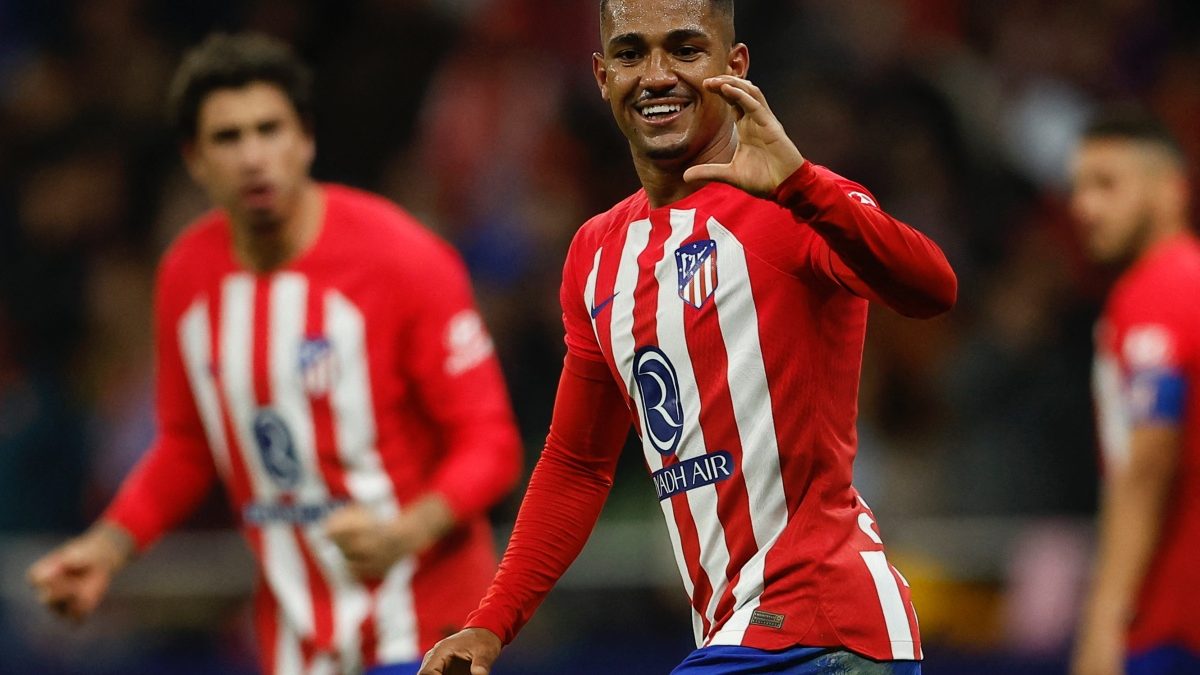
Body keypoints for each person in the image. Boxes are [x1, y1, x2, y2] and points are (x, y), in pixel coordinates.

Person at [418, 1, 957, 673]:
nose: (656, 75)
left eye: (685, 49)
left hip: (824, 626)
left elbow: (932, 289)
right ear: (601, 75)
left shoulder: (793, 200)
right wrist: (490, 624)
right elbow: (577, 463)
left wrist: (802, 186)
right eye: (631, 53)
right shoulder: (596, 253)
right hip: (740, 635)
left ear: (735, 66)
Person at [26, 32, 522, 675]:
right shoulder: (187, 274)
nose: (254, 156)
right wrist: (106, 549)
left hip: (427, 633)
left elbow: (491, 445)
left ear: (305, 138)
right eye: (228, 138)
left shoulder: (405, 259)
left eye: (270, 129)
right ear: (195, 158)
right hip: (295, 646)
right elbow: (187, 446)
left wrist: (406, 532)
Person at [1069, 109, 1200, 675]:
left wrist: (1104, 617)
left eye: (1107, 184)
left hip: (1170, 619)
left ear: (1170, 190)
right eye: (1078, 188)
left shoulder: (1161, 289)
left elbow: (1147, 461)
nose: (1085, 207)